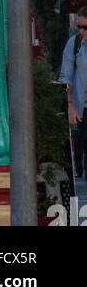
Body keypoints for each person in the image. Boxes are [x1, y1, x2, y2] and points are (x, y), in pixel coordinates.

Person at [59, 11, 87, 178]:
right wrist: (70, 105)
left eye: (85, 27)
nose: (82, 31)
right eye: (80, 27)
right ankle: (79, 167)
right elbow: (67, 76)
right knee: (81, 142)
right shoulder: (75, 43)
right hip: (80, 105)